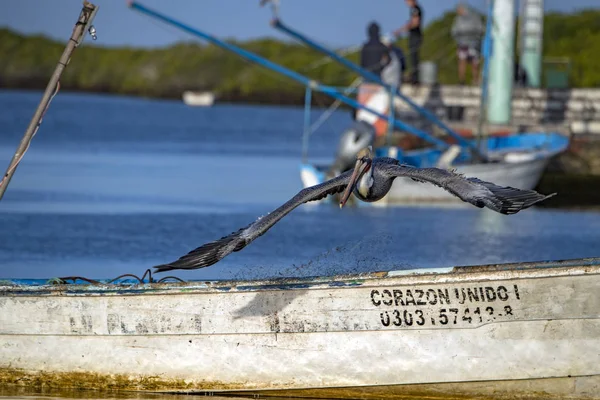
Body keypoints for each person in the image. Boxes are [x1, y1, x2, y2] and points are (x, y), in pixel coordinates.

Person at [451, 3, 485, 85]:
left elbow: (481, 29)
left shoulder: (475, 17)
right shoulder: (458, 19)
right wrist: (458, 39)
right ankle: (461, 81)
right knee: (462, 61)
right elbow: (454, 31)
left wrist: (472, 34)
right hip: (462, 44)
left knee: (475, 63)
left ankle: (475, 80)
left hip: (474, 44)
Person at [393, 0, 423, 85]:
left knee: (414, 57)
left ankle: (415, 78)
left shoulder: (415, 9)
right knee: (413, 57)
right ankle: (414, 77)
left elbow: (415, 23)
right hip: (415, 36)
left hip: (415, 36)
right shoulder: (415, 9)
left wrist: (401, 30)